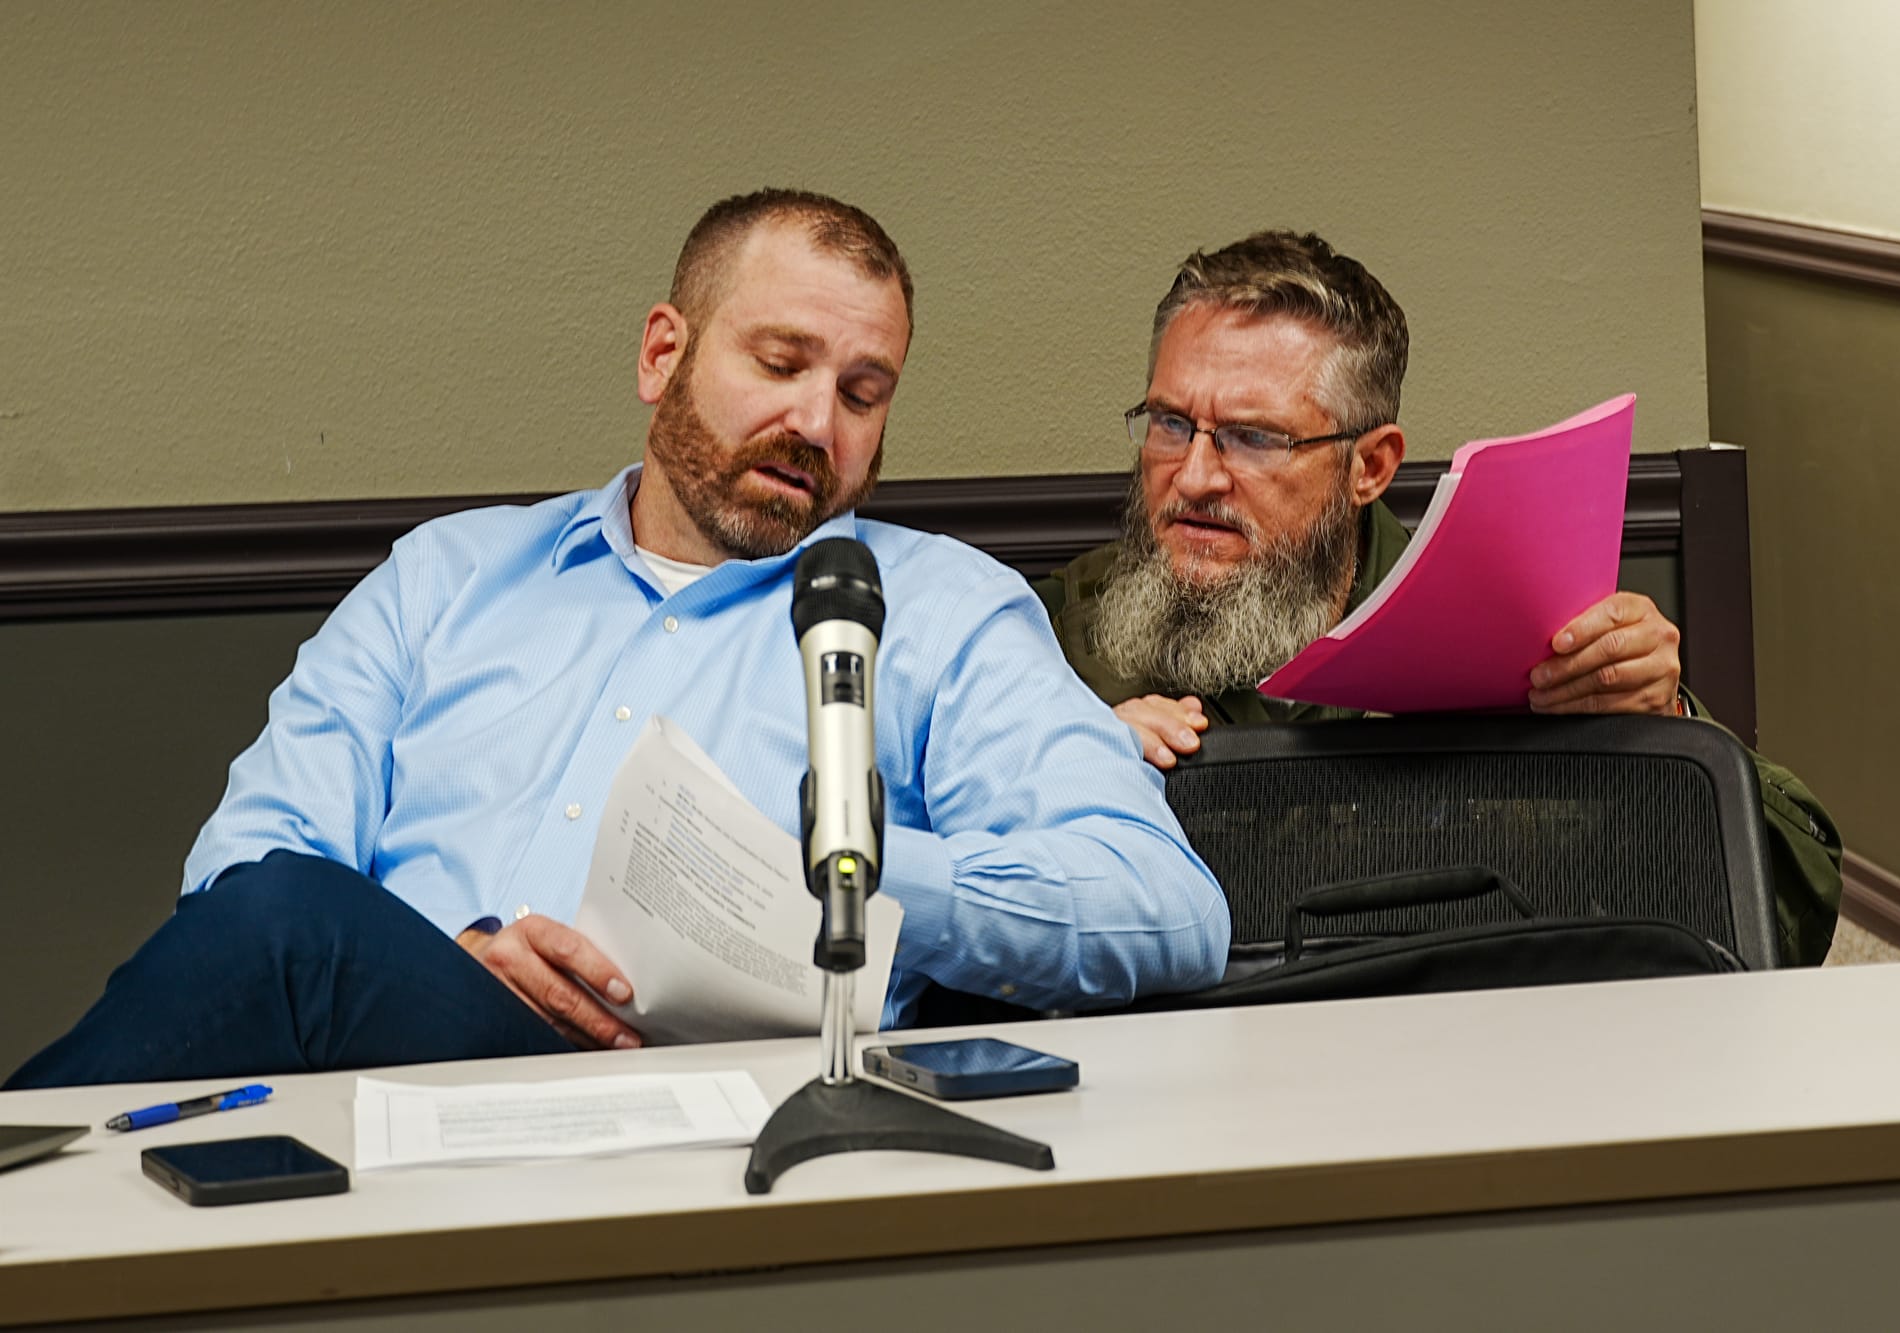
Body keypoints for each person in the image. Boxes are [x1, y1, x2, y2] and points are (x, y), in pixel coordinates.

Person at [8, 189, 1227, 1089]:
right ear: (664, 354)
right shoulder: (448, 577)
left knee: (284, 934)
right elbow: (246, 863)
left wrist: (848, 869)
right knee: (282, 918)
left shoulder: (943, 609)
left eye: (863, 392)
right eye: (780, 361)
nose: (815, 421)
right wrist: (461, 957)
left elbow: (1166, 909)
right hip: (400, 1073)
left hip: (722, 1103)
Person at [1035, 230, 1842, 966]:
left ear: (1371, 466)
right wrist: (1054, 767)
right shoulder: (1040, 639)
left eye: (1254, 436)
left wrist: (1663, 726)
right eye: (1171, 424)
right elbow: (930, 913)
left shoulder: (1528, 636)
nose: (1196, 474)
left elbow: (1788, 919)